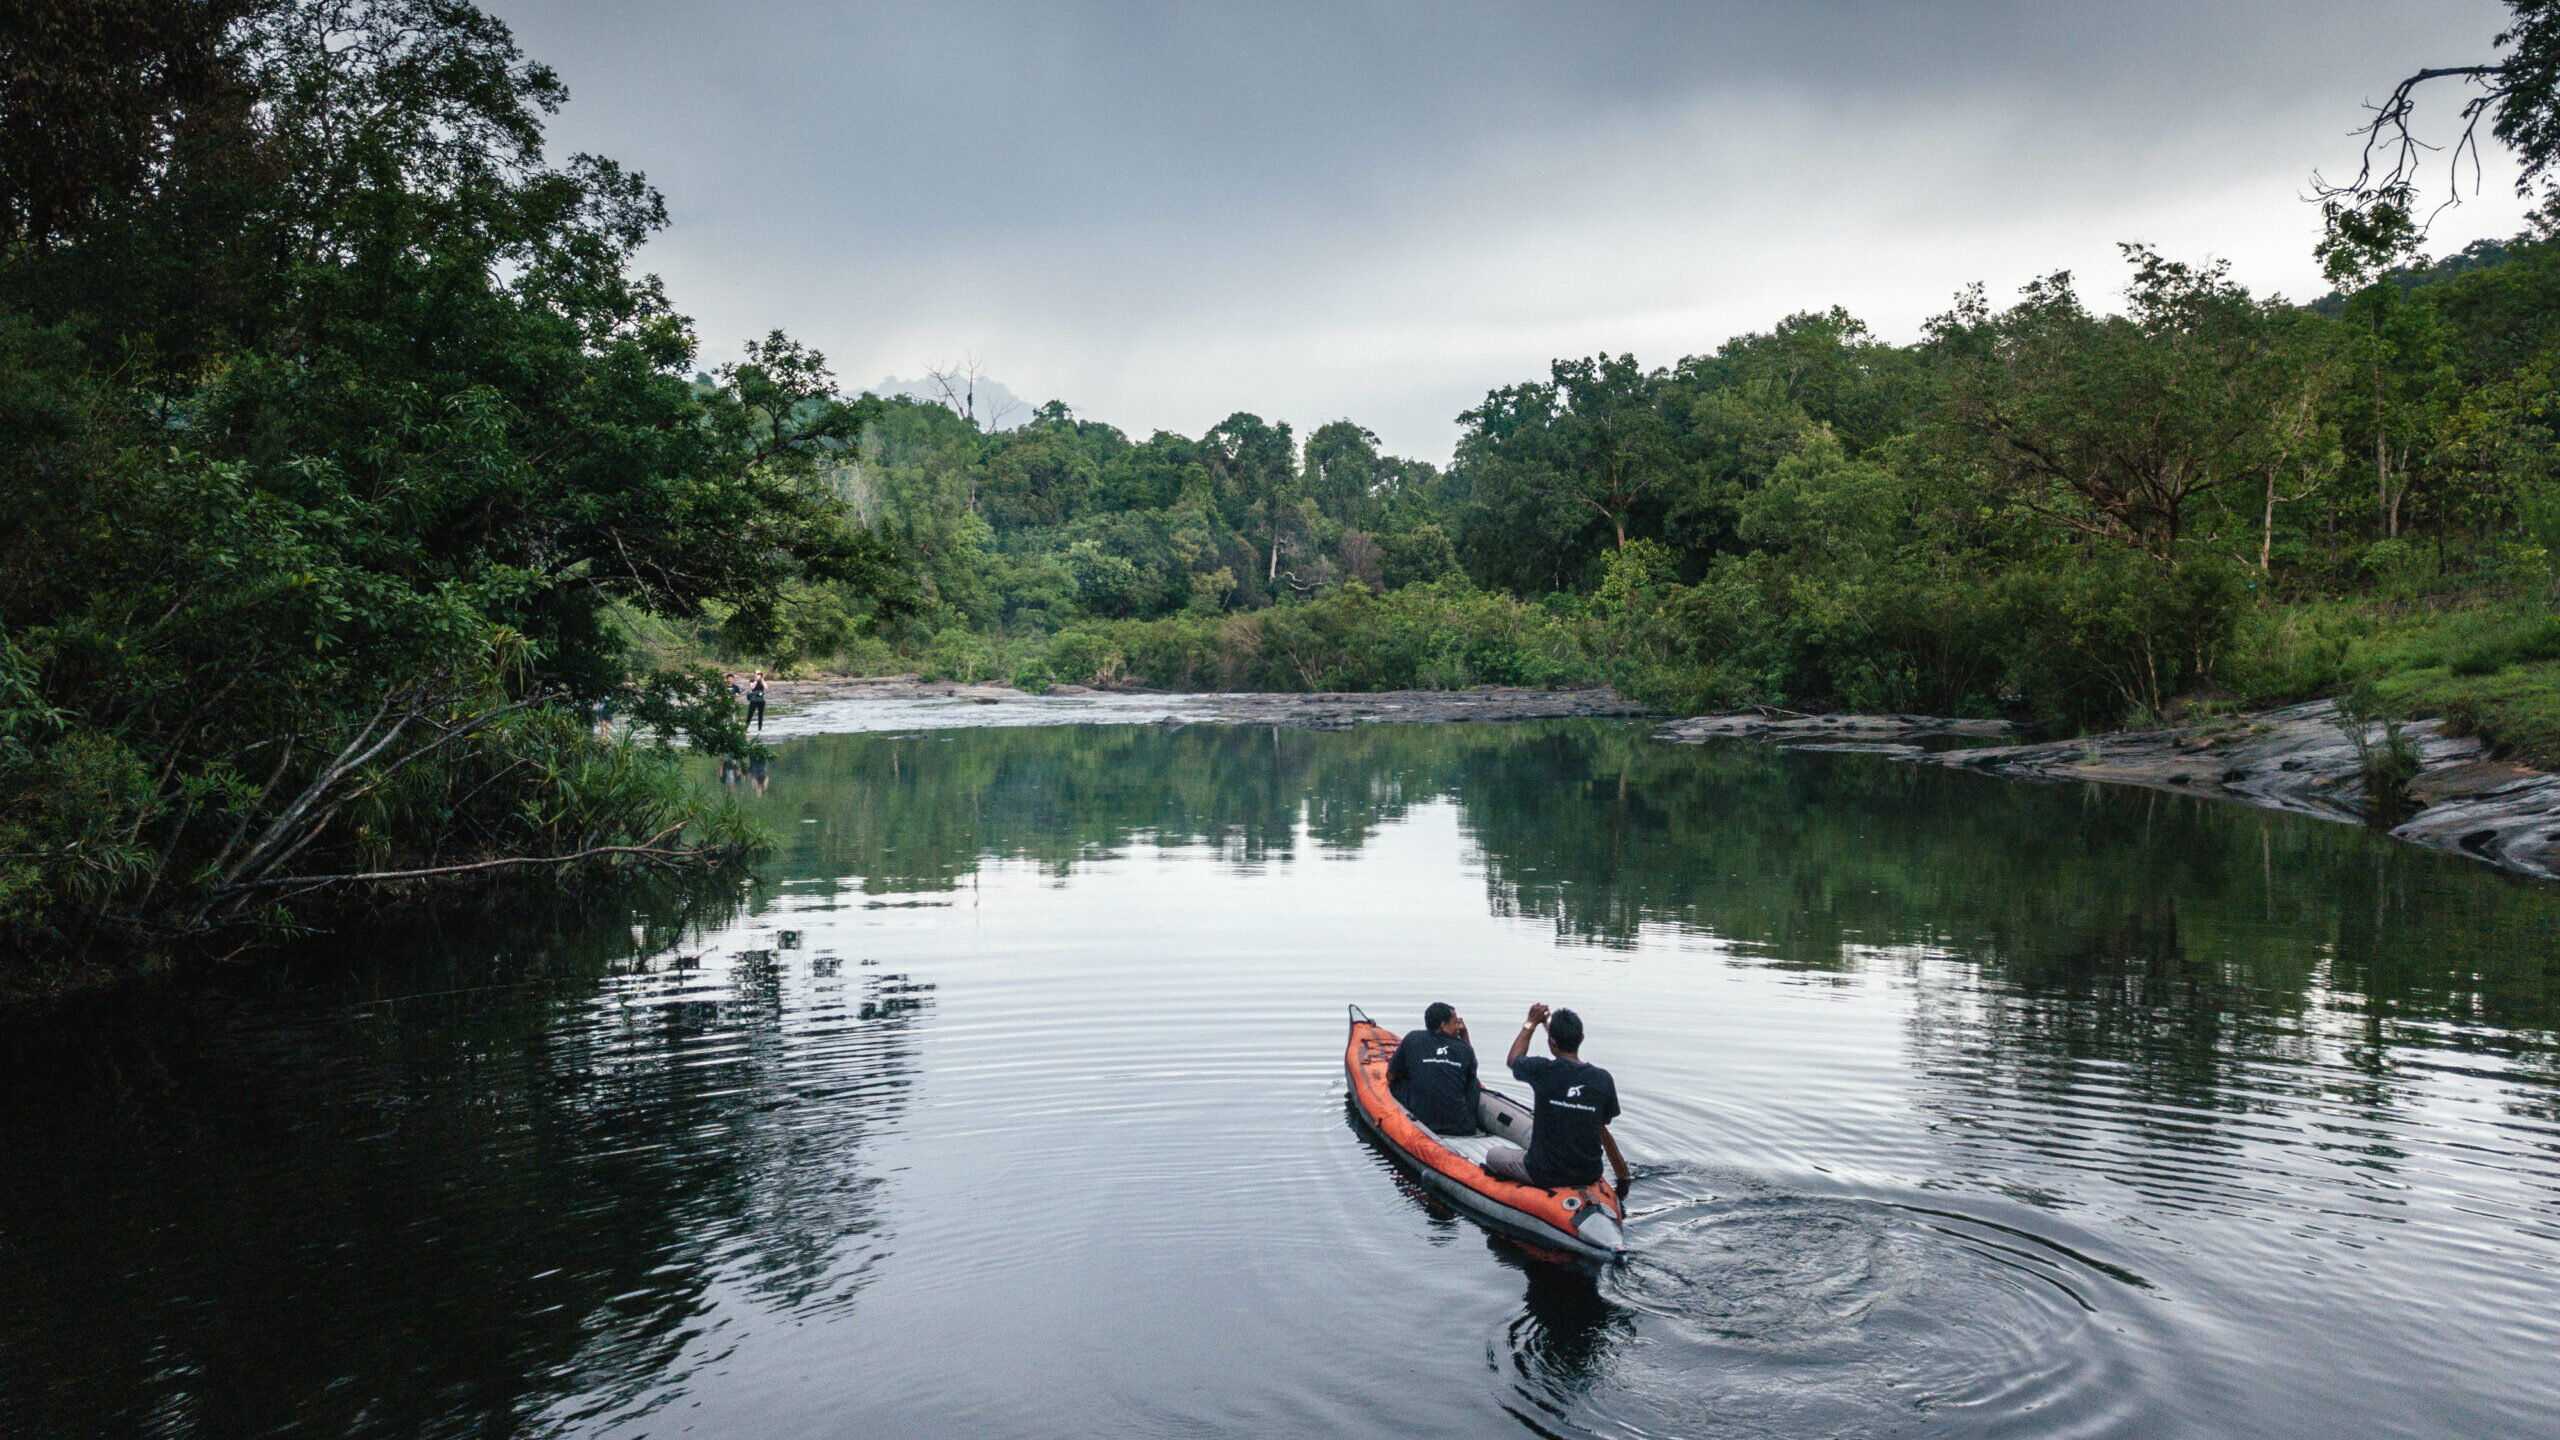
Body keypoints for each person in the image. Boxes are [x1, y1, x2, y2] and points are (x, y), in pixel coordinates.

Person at [1483, 1004, 1631, 1194]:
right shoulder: (1602, 1078)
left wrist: (1530, 1024)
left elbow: (1513, 1059)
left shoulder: (1542, 1070)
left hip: (1544, 1173)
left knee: (1493, 1155)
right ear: (1582, 1039)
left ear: (1552, 1043)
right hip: (1589, 1174)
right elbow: (1605, 1120)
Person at [1387, 1001, 1480, 1135]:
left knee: (1396, 1080)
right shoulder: (1463, 1047)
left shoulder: (1413, 1039)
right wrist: (1464, 1037)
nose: (1459, 1026)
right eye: (1455, 1022)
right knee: (1473, 1082)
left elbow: (1391, 1075)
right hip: (1462, 1127)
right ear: (1443, 1026)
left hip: (1424, 1123)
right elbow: (1471, 1072)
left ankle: (1411, 1114)